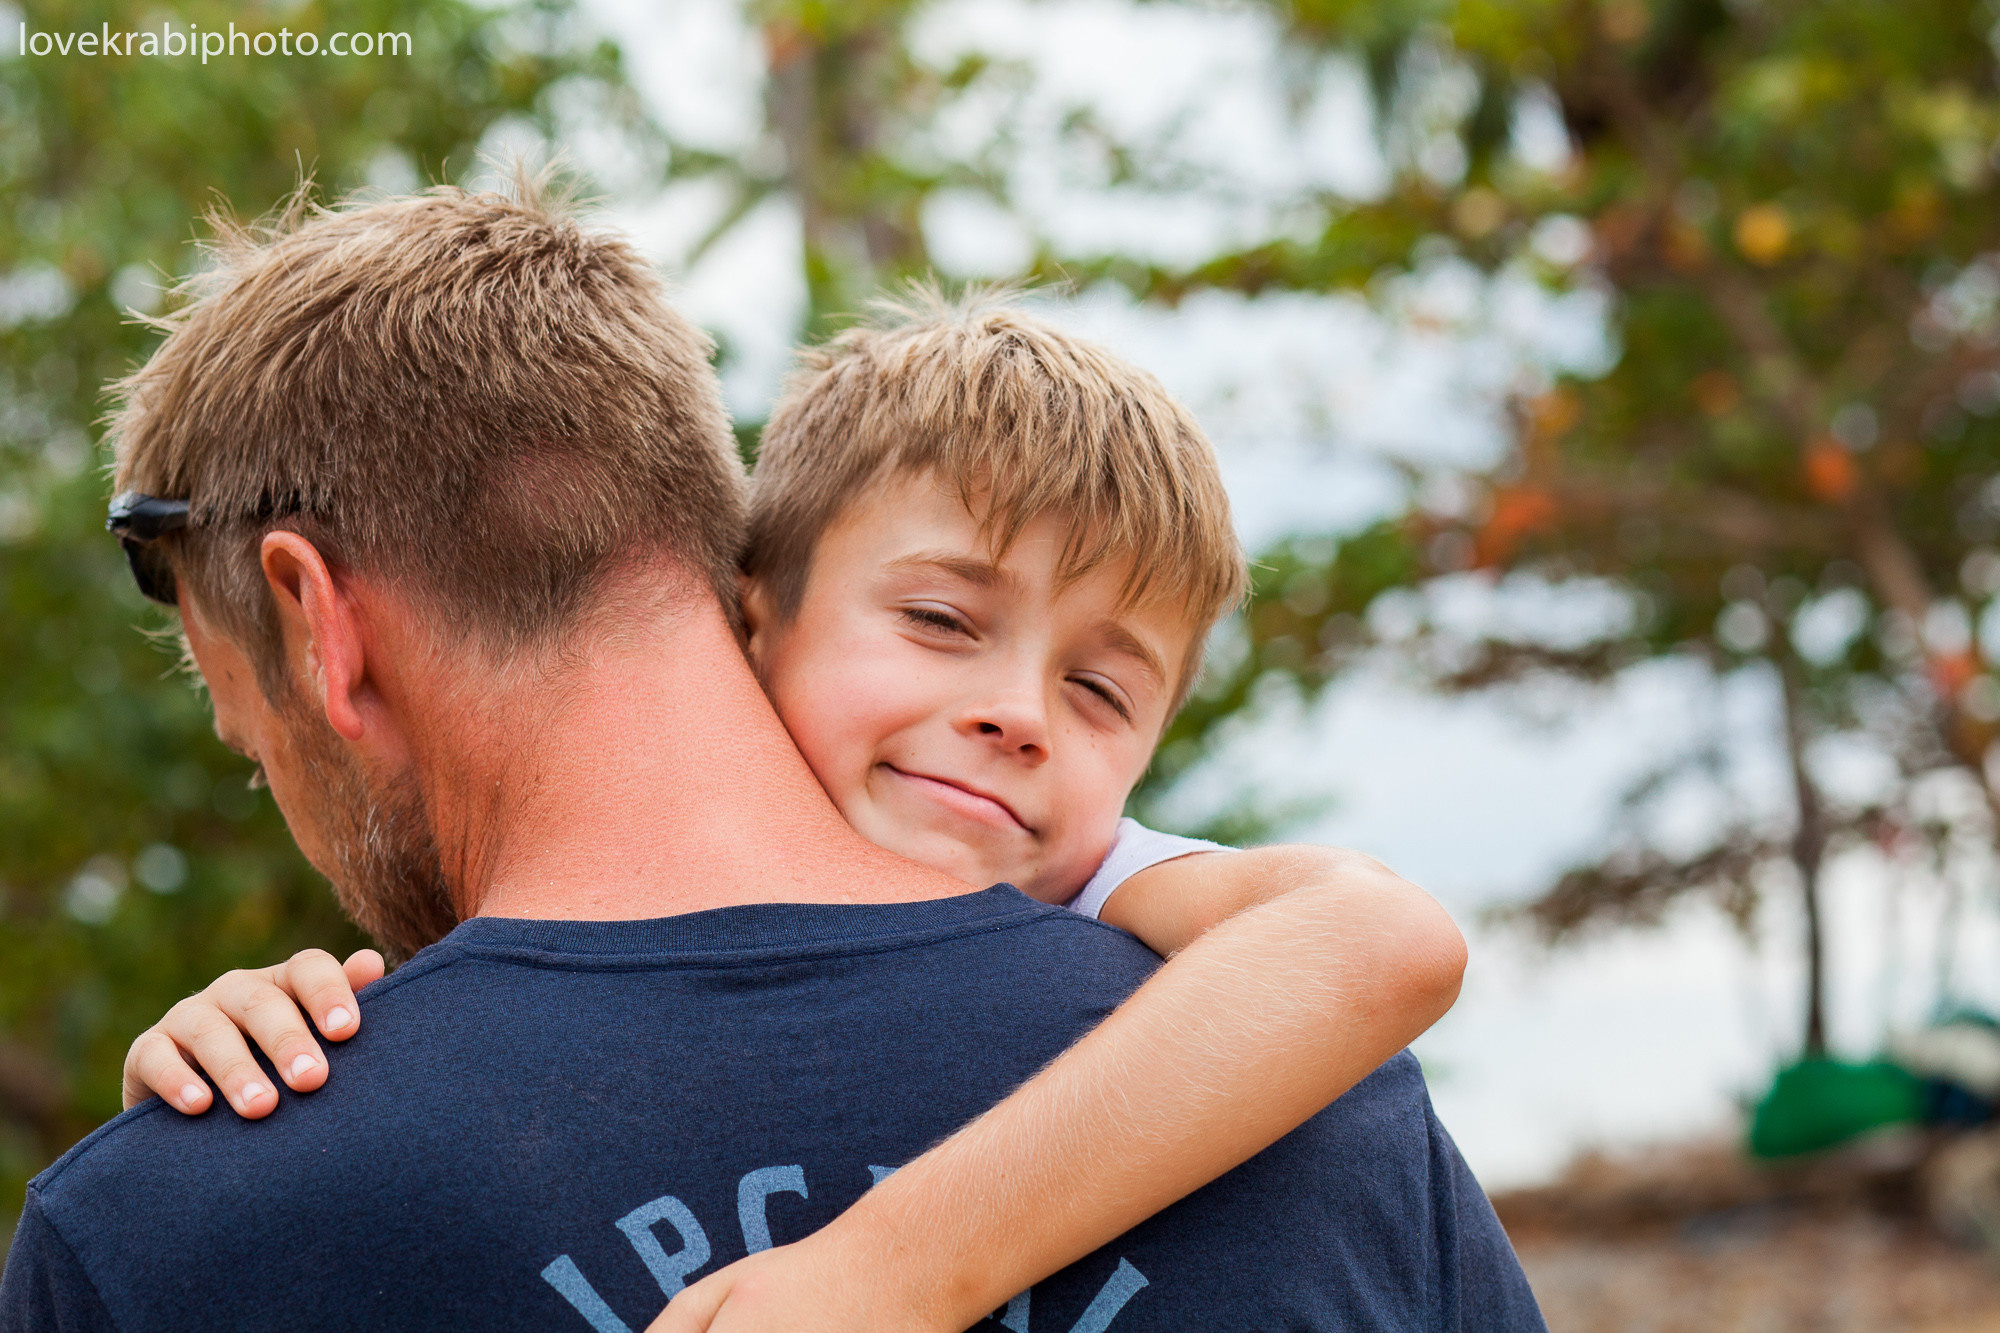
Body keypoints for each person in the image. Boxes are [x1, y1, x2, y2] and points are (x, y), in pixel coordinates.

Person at [0, 181, 1543, 1331]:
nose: (1016, 712)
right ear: (731, 587)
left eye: (246, 724)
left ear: (318, 625)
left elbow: (1373, 934)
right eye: (946, 617)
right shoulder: (1328, 1122)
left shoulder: (166, 1231)